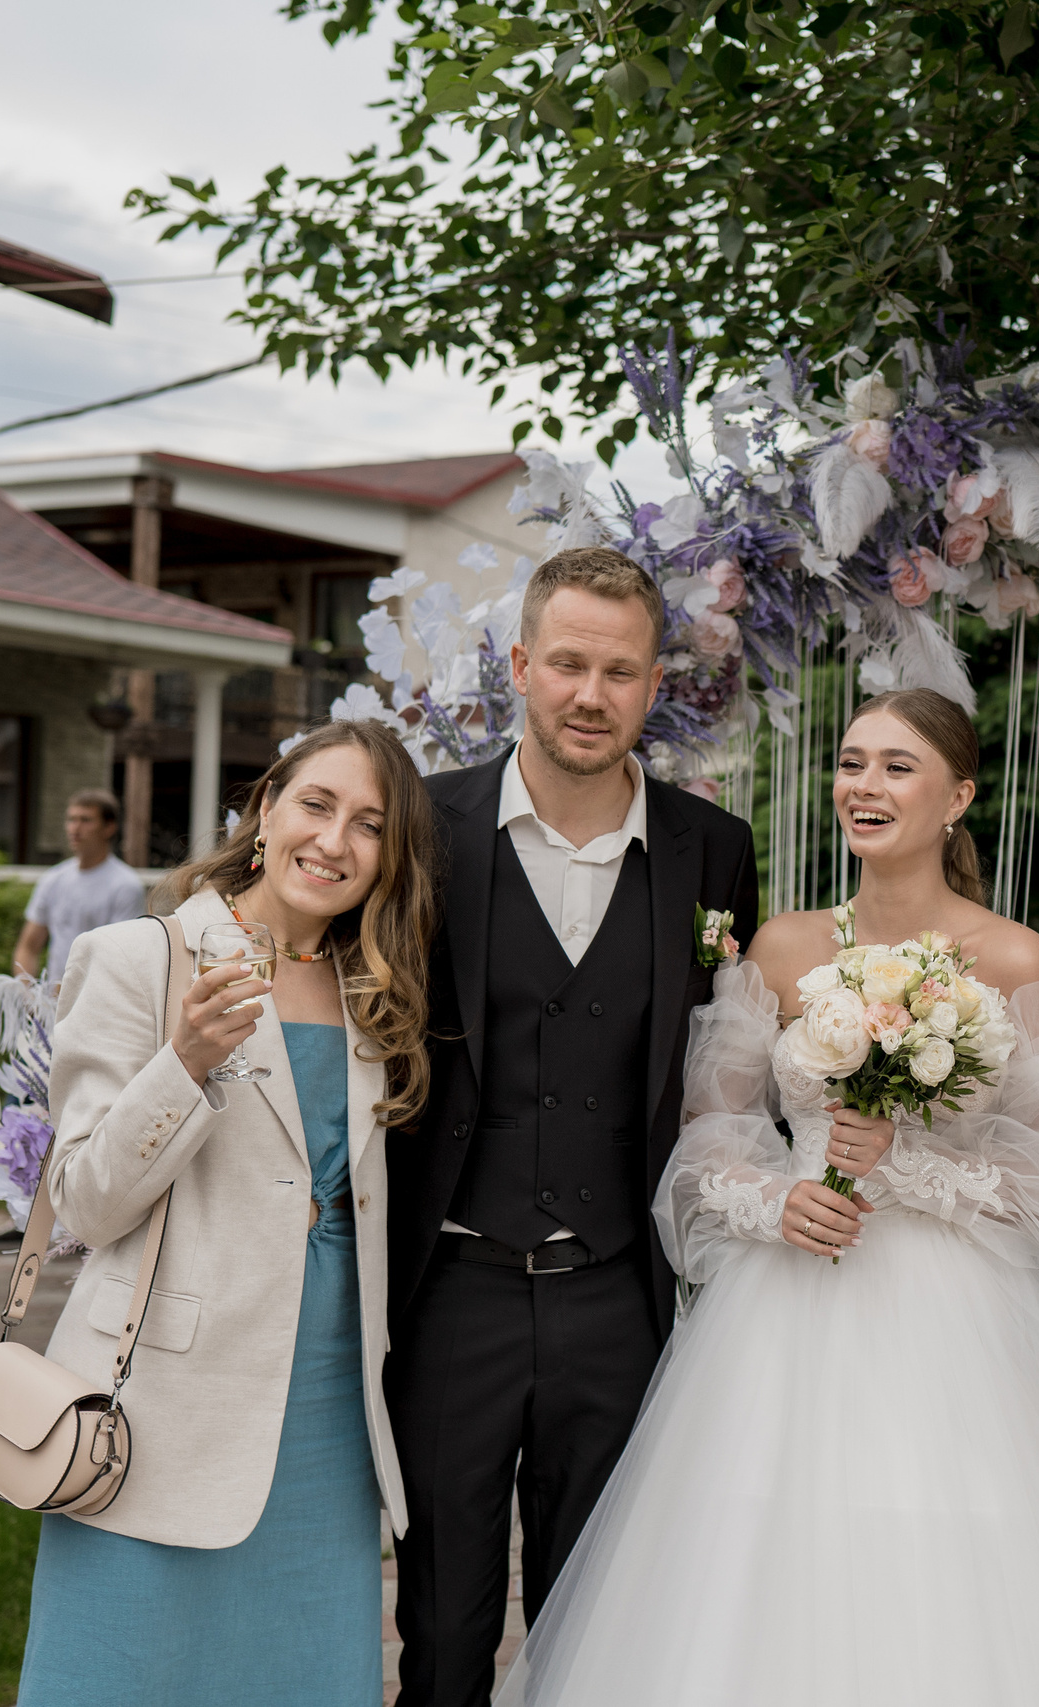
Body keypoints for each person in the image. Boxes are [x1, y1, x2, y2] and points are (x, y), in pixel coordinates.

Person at [494, 687, 1039, 1706]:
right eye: (851, 762)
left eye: (895, 766)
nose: (862, 786)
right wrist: (778, 1196)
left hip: (959, 1328)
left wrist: (901, 1169)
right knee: (755, 1564)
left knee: (941, 1560)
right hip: (782, 1310)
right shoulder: (784, 949)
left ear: (958, 796)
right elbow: (705, 1140)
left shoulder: (1013, 957)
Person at [389, 548, 760, 1707]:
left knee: (596, 1623)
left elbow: (727, 1060)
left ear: (656, 685)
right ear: (519, 668)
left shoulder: (716, 851)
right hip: (451, 1286)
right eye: (566, 665)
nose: (589, 695)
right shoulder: (422, 826)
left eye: (618, 671)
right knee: (441, 1632)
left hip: (617, 1291)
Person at [14, 718, 436, 1705]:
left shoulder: (377, 984)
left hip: (330, 1402)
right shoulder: (137, 958)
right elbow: (85, 1200)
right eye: (317, 806)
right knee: (129, 1670)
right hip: (165, 1398)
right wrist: (185, 1064)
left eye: (369, 826)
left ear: (390, 859)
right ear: (266, 812)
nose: (334, 842)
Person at [15, 788, 149, 983]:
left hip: (97, 1003)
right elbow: (28, 946)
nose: (75, 828)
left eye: (86, 820)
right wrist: (27, 996)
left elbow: (122, 960)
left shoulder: (125, 885)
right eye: (71, 819)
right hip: (52, 1003)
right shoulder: (53, 879)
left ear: (109, 828)